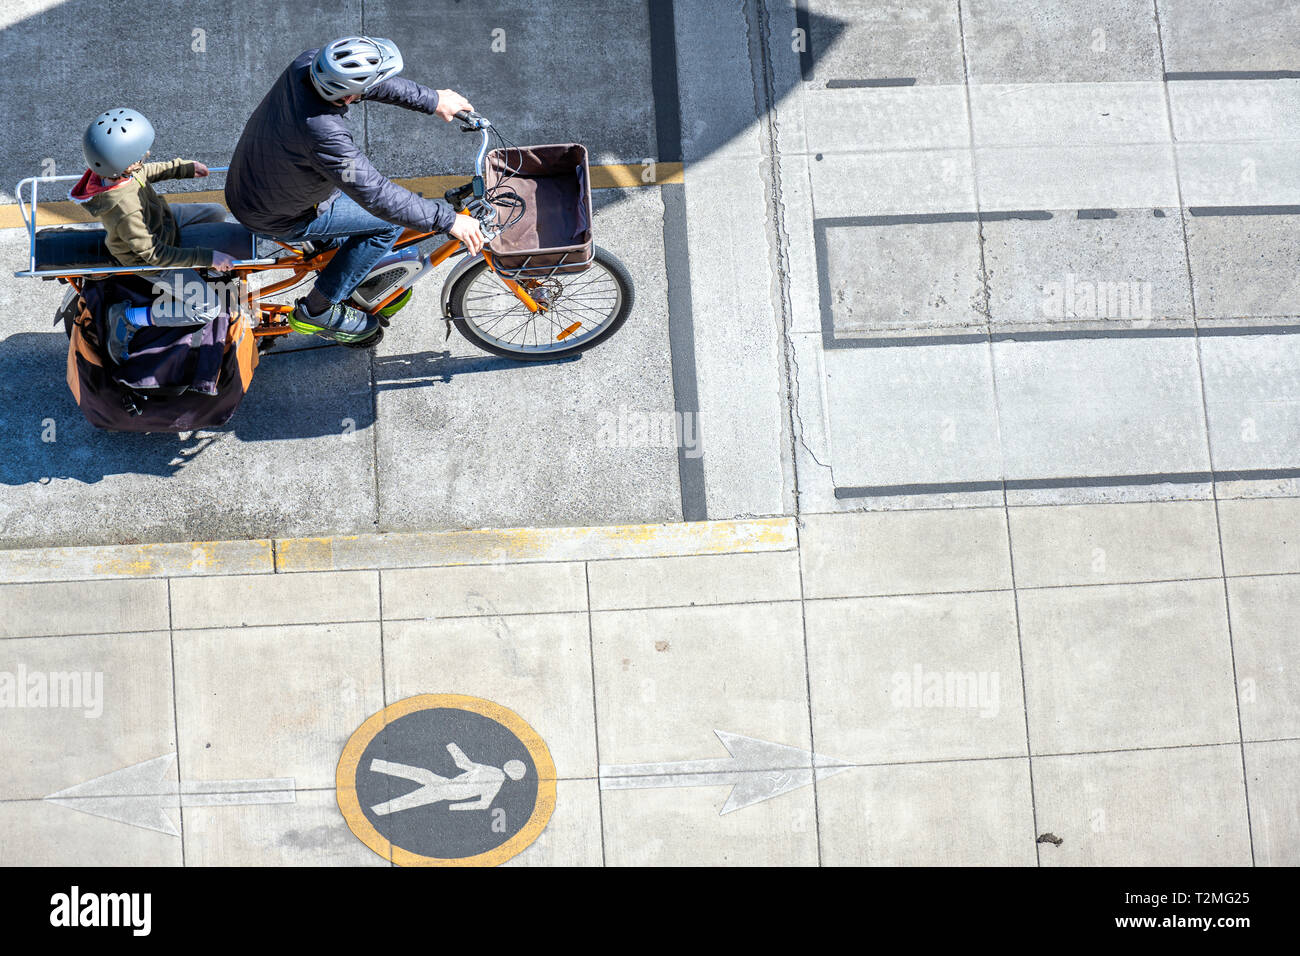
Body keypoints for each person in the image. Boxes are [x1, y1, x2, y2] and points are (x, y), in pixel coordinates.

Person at [225, 36, 485, 346]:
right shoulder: (324, 134)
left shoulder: (307, 65)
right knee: (388, 223)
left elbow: (367, 85)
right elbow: (377, 195)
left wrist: (431, 99)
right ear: (347, 96)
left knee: (369, 206)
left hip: (255, 182)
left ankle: (334, 253)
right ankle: (318, 310)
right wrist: (449, 221)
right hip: (278, 214)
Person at [71, 108, 235, 362]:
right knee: (208, 309)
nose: (145, 157)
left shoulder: (115, 172)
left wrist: (183, 168)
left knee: (215, 212)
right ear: (122, 162)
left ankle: (203, 269)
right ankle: (128, 318)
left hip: (161, 220)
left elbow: (144, 172)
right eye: (139, 156)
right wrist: (206, 257)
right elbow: (155, 254)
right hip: (151, 261)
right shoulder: (125, 210)